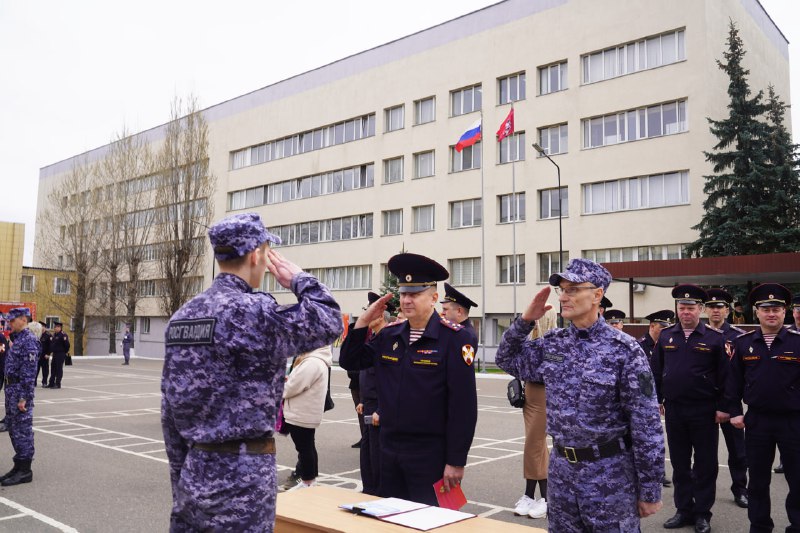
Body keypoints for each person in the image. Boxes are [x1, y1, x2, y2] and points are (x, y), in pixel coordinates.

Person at [160, 212, 342, 532]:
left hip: (194, 472)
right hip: (242, 481)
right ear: (256, 255)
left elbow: (170, 412)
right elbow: (328, 320)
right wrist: (298, 277)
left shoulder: (183, 317)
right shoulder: (253, 311)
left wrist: (183, 482)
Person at [496, 258, 664, 531]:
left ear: (597, 295)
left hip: (609, 475)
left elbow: (646, 424)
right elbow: (507, 358)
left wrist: (650, 488)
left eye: (573, 289)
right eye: (562, 289)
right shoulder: (554, 344)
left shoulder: (624, 350)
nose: (563, 296)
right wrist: (526, 320)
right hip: (562, 474)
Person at [339, 252, 478, 506]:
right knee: (389, 521)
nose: (406, 300)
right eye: (403, 294)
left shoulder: (455, 339)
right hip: (388, 450)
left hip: (430, 455)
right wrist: (363, 321)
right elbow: (350, 361)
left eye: (414, 294)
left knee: (428, 521)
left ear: (434, 297)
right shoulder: (389, 336)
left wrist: (456, 460)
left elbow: (464, 406)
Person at [725, 283, 800, 533]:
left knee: (798, 479)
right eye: (766, 309)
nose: (771, 313)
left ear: (785, 312)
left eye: (776, 309)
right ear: (756, 312)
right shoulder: (744, 342)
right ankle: (759, 526)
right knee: (757, 481)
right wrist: (735, 411)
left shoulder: (798, 342)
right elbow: (732, 382)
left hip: (793, 421)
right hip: (757, 421)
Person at [654, 284, 728, 533]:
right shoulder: (666, 336)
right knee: (680, 463)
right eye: (682, 307)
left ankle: (702, 514)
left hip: (705, 410)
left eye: (691, 308)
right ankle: (683, 510)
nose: (686, 312)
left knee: (706, 465)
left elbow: (725, 377)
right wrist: (657, 399)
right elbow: (656, 371)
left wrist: (722, 408)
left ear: (701, 309)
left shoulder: (714, 338)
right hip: (675, 410)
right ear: (677, 309)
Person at [705, 288, 748, 508]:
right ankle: (702, 497)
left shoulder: (738, 336)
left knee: (738, 452)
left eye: (719, 307)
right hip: (705, 403)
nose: (715, 310)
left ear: (727, 310)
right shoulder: (699, 335)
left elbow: (742, 371)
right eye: (711, 307)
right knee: (704, 454)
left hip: (730, 402)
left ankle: (740, 489)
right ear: (705, 310)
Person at [513, 307, 557, 520]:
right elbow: (517, 365)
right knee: (537, 447)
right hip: (530, 391)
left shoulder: (553, 343)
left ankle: (544, 498)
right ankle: (534, 496)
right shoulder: (530, 343)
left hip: (543, 392)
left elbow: (544, 370)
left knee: (534, 444)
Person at [282, 345, 333, 490]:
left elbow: (293, 387)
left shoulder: (312, 362)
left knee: (304, 448)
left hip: (301, 412)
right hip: (305, 412)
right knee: (307, 446)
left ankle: (307, 481)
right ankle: (309, 480)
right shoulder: (316, 360)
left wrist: (279, 389)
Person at [0, 308, 40, 486]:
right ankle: (18, 466)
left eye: (12, 320)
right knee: (13, 429)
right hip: (11, 389)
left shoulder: (29, 340)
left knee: (22, 430)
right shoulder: (18, 339)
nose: (9, 323)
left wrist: (23, 397)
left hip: (20, 392)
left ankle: (25, 470)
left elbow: (29, 373)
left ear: (23, 319)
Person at [637, 309, 675, 488]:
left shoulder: (667, 344)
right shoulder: (640, 346)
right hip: (642, 399)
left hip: (657, 398)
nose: (666, 330)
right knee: (642, 439)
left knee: (657, 438)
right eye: (662, 327)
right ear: (652, 326)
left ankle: (659, 472)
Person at [46, 322, 69, 389]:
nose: (54, 328)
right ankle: (51, 383)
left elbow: (67, 345)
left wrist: (64, 352)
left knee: (59, 369)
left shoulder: (63, 335)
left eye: (56, 327)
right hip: (55, 354)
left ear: (59, 327)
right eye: (54, 327)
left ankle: (58, 384)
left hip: (60, 354)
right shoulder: (54, 335)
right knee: (53, 368)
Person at [36, 322, 51, 387]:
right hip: (37, 355)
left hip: (45, 355)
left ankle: (44, 382)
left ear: (44, 327)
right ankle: (34, 382)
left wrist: (48, 354)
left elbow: (51, 346)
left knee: (45, 370)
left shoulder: (48, 335)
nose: (41, 328)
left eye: (42, 326)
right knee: (36, 370)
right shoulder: (36, 334)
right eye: (40, 326)